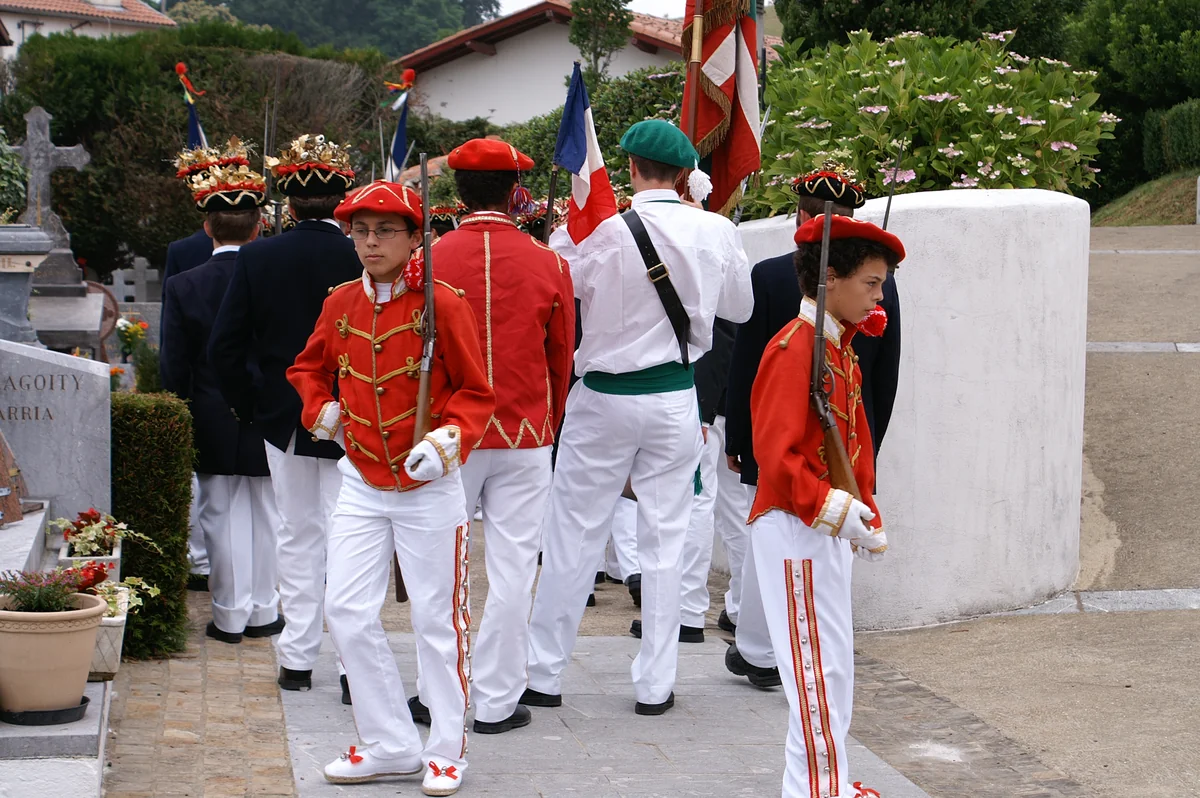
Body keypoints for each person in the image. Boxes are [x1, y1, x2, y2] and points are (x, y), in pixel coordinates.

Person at [523, 119, 753, 716]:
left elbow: (558, 285)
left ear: (628, 168)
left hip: (603, 396)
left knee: (573, 535)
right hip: (675, 397)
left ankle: (543, 674)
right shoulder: (716, 229)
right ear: (684, 175)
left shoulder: (599, 230)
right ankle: (655, 685)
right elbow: (740, 308)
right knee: (665, 542)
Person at [288, 179, 494, 795]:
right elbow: (307, 368)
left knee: (438, 620)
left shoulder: (443, 303)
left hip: (428, 486)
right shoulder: (341, 302)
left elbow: (477, 392)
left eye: (384, 231)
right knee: (346, 611)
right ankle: (388, 744)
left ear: (414, 238)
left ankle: (446, 749)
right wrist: (322, 410)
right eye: (361, 232)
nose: (371, 242)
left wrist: (447, 441)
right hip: (361, 480)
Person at [405, 139, 574, 736]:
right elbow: (561, 358)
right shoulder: (549, 262)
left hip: (448, 434)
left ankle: (435, 693)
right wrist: (550, 423)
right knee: (513, 570)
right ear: (514, 191)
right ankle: (498, 701)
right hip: (525, 431)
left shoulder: (425, 260)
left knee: (438, 567)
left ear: (458, 190)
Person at [723, 162, 902, 687]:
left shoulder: (775, 275)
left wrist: (739, 439)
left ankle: (758, 651)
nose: (875, 295)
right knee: (785, 549)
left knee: (775, 562)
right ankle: (766, 651)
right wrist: (863, 462)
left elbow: (743, 368)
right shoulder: (865, 290)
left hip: (799, 446)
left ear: (802, 219)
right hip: (825, 451)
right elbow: (885, 382)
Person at [748, 213, 901, 798]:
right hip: (796, 525)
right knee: (813, 672)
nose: (879, 296)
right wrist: (838, 508)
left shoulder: (836, 347)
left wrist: (864, 511)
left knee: (832, 668)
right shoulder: (795, 349)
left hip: (821, 526)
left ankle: (822, 784)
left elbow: (853, 445)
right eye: (871, 282)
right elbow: (778, 456)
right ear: (829, 278)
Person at [209, 134, 361, 695]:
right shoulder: (364, 254)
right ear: (342, 201)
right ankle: (351, 664)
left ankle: (297, 658)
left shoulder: (257, 256)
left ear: (288, 204)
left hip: (284, 414)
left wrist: (252, 406)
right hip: (359, 415)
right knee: (351, 538)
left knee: (296, 534)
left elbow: (225, 348)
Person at [160, 151, 282, 644]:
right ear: (258, 227)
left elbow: (174, 364)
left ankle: (230, 614)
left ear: (208, 227)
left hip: (211, 411)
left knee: (219, 514)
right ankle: (264, 610)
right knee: (269, 513)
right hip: (270, 409)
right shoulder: (272, 278)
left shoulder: (183, 284)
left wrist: (177, 414)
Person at [165, 143, 220, 592]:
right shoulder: (183, 251)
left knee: (207, 484)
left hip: (202, 376)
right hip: (226, 374)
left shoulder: (183, 249)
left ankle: (202, 561)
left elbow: (174, 334)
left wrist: (175, 392)